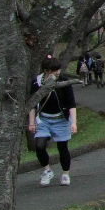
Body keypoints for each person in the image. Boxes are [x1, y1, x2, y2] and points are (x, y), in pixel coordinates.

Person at [29, 56, 77, 186]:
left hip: (61, 120)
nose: (57, 72)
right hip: (44, 119)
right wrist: (32, 122)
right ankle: (47, 170)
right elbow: (32, 104)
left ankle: (65, 173)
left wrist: (73, 122)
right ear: (46, 70)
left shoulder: (63, 81)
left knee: (62, 148)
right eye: (54, 70)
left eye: (58, 69)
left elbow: (71, 103)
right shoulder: (37, 82)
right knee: (39, 146)